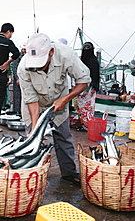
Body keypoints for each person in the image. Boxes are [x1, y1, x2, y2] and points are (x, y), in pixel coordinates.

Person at [17, 33, 91, 184]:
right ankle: (30, 176)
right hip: (35, 103)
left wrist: (65, 99)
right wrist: (36, 129)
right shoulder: (23, 67)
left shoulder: (66, 55)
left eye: (41, 62)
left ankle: (69, 172)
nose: (38, 66)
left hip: (60, 99)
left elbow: (84, 81)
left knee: (64, 137)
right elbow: (31, 100)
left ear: (51, 52)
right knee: (32, 141)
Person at [76, 42, 100, 132]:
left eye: (88, 49)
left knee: (88, 108)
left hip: (89, 88)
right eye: (84, 49)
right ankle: (84, 124)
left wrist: (87, 89)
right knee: (82, 107)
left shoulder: (93, 61)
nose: (86, 51)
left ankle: (87, 126)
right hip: (82, 87)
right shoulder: (82, 61)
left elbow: (94, 76)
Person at [11, 44, 25, 113]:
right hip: (18, 79)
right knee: (17, 97)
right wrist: (17, 78)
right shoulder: (18, 56)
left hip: (26, 79)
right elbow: (15, 67)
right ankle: (16, 112)